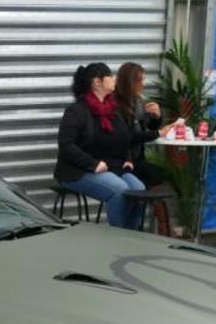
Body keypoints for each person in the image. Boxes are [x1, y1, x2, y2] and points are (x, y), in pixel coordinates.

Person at [55, 63, 159, 229]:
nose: (114, 79)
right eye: (110, 76)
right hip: (78, 170)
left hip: (112, 166)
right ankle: (116, 236)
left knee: (139, 189)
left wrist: (128, 158)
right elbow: (66, 145)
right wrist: (92, 164)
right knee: (120, 189)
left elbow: (126, 137)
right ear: (97, 82)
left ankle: (131, 236)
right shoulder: (77, 111)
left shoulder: (112, 109)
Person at [115, 61, 164, 187]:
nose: (143, 84)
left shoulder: (138, 100)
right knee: (153, 175)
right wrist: (159, 133)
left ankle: (137, 197)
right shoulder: (115, 104)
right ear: (130, 82)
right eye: (140, 80)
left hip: (137, 157)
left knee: (159, 175)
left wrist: (156, 117)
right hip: (122, 159)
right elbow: (129, 135)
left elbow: (148, 126)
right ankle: (134, 197)